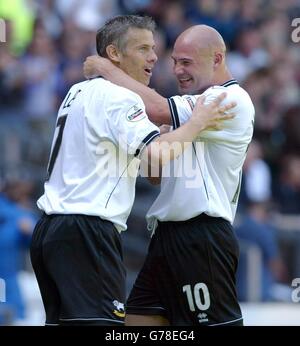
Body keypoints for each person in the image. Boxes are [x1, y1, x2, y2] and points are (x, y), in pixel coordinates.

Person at [30, 16, 234, 326]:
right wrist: (196, 124)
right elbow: (158, 154)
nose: (153, 57)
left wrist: (165, 135)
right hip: (88, 232)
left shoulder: (77, 92)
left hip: (49, 232)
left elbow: (148, 166)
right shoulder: (120, 97)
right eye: (142, 49)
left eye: (154, 48)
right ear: (114, 54)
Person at [84, 24, 255, 326]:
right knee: (134, 323)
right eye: (175, 61)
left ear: (216, 59)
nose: (177, 70)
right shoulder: (192, 111)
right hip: (166, 235)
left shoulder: (229, 99)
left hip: (201, 236)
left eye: (186, 62)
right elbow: (155, 177)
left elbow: (158, 108)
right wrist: (160, 142)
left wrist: (105, 69)